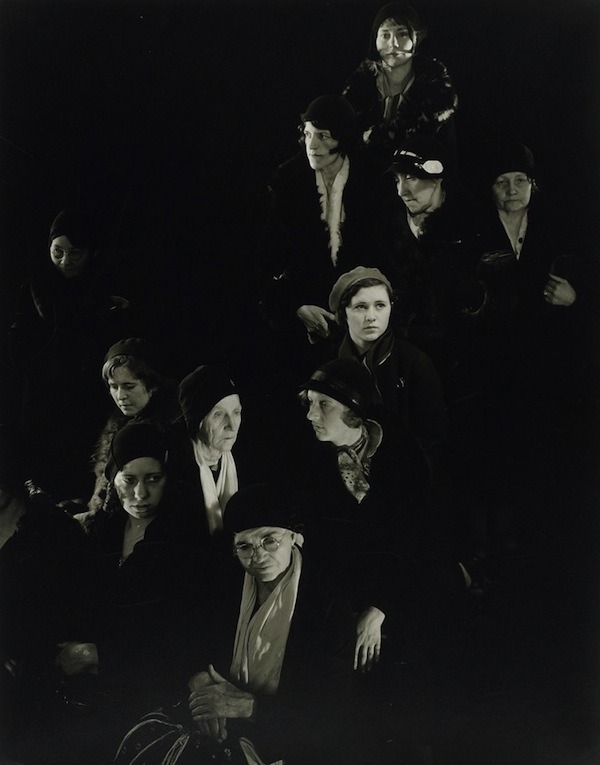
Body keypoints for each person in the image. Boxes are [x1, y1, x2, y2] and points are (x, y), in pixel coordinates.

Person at [149, 484, 353, 765]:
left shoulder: (327, 604)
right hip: (222, 727)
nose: (258, 556)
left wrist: (250, 707)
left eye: (270, 541)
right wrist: (200, 682)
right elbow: (184, 641)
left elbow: (328, 709)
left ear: (295, 538)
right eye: (245, 546)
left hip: (290, 741)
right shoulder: (223, 583)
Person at [7, 209, 133, 499]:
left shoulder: (104, 286)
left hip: (89, 397)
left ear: (90, 252)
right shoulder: (36, 287)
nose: (65, 261)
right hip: (43, 396)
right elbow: (18, 341)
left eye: (75, 254)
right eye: (58, 252)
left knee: (84, 469)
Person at [83, 422, 203, 713]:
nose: (140, 494)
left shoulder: (185, 539)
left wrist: (100, 654)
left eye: (153, 479)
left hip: (154, 692)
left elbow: (179, 635)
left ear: (168, 478)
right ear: (113, 480)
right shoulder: (103, 531)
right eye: (129, 480)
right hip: (96, 686)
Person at [256, 94, 380, 353]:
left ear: (344, 138)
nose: (312, 145)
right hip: (303, 329)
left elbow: (390, 257)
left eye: (323, 136)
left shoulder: (372, 181)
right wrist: (295, 307)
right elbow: (268, 261)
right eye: (308, 134)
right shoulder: (288, 184)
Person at [380, 134, 484, 399]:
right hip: (401, 367)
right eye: (397, 180)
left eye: (411, 178)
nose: (402, 191)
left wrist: (476, 301)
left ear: (438, 178)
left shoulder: (473, 224)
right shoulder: (383, 229)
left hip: (463, 370)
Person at [329, 265, 447, 476]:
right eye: (360, 307)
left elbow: (432, 437)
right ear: (344, 312)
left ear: (391, 308)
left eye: (380, 305)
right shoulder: (329, 366)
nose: (371, 316)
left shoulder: (414, 362)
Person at [343, 3, 458, 169]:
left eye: (402, 34)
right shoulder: (356, 90)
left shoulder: (437, 92)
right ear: (375, 39)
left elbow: (447, 158)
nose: (393, 43)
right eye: (385, 35)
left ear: (416, 38)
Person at [85, 337, 186, 517]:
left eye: (129, 386)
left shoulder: (168, 430)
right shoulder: (116, 425)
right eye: (113, 386)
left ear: (152, 385)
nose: (120, 396)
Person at [178, 365, 243, 540]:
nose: (232, 425)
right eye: (218, 415)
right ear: (196, 421)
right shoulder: (177, 473)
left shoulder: (248, 464)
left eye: (236, 412)